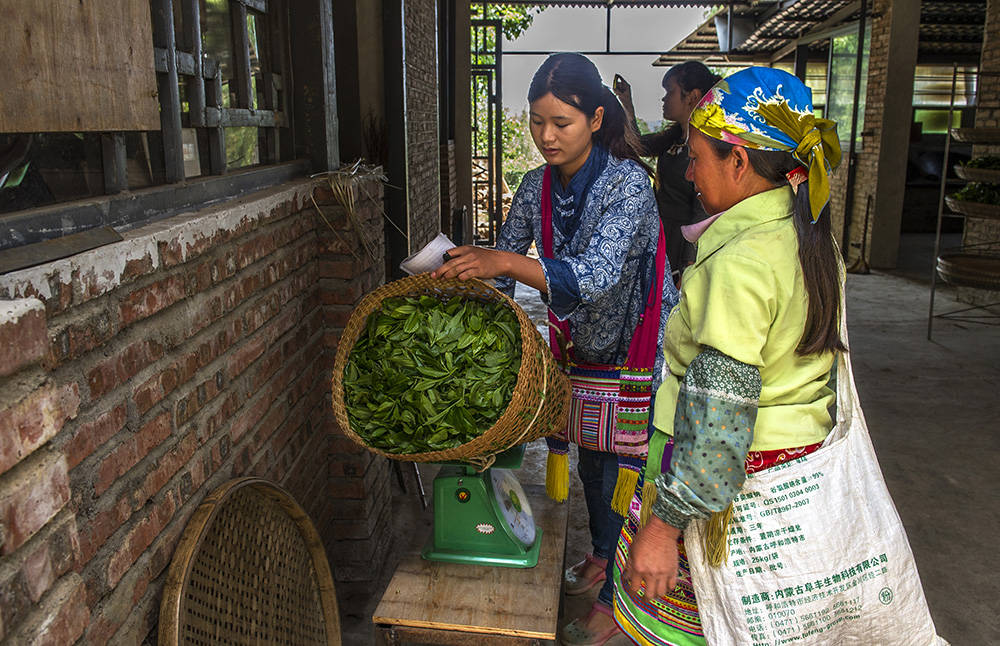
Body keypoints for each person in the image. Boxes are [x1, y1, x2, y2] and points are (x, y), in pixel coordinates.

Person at [432, 52, 678, 646]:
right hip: (580, 350)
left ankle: (620, 605)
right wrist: (460, 269)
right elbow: (505, 262)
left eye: (561, 123)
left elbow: (592, 275)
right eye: (536, 121)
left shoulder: (628, 187)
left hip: (637, 352)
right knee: (591, 464)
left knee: (627, 471)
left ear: (596, 118)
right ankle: (600, 554)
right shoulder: (535, 185)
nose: (546, 136)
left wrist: (507, 261)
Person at [613, 67, 843, 645]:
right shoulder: (810, 242)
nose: (688, 172)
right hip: (790, 476)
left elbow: (717, 423)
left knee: (693, 630)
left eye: (695, 157)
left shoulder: (740, 261)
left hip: (719, 494)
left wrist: (663, 530)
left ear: (738, 161)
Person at [613, 62, 721, 279]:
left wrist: (689, 262)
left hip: (681, 245)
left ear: (692, 96)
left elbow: (702, 209)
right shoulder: (675, 139)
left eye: (669, 92)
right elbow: (638, 145)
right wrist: (627, 103)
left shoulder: (707, 146)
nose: (664, 99)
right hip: (661, 236)